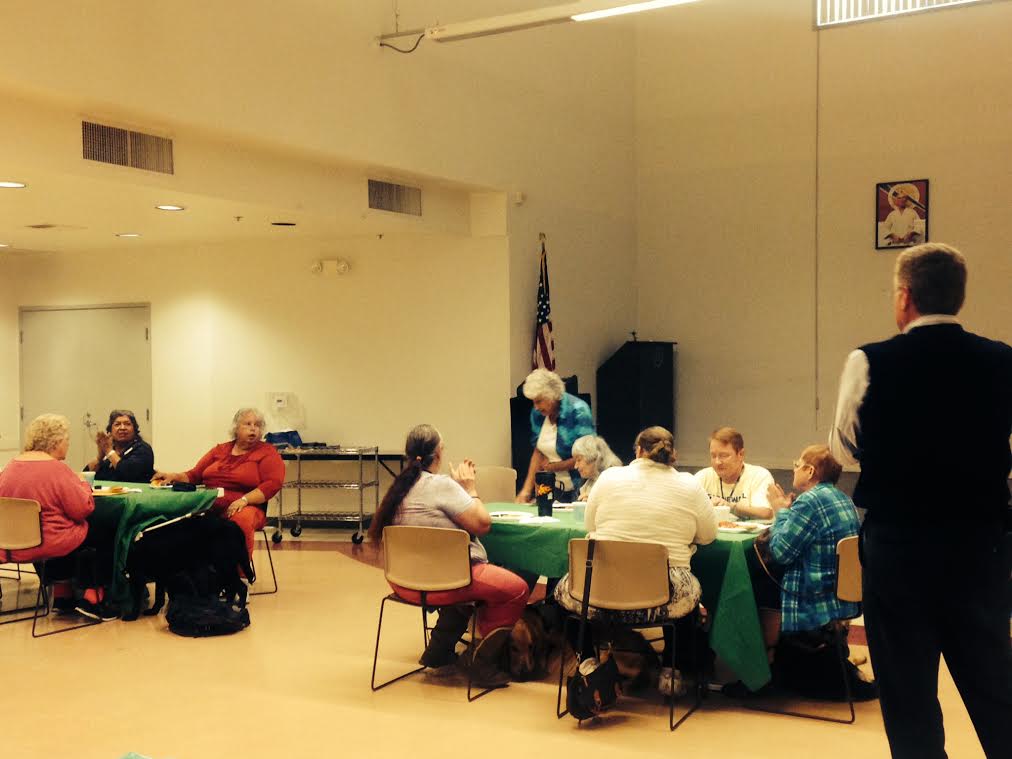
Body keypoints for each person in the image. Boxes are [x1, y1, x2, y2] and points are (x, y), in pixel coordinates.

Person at [830, 242, 1011, 758]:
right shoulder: (1002, 361)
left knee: (908, 692)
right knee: (993, 684)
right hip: (979, 545)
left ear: (904, 297)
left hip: (899, 547)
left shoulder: (869, 361)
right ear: (959, 296)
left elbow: (844, 448)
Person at [554, 426, 717, 694]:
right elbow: (709, 536)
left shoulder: (608, 478)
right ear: (672, 453)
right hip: (663, 596)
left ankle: (588, 663)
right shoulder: (689, 484)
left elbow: (589, 523)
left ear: (638, 451)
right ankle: (672, 671)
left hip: (602, 591)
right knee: (690, 596)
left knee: (562, 593)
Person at [367, 424, 530, 688]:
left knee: (460, 581)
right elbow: (482, 524)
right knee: (517, 589)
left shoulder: (397, 489)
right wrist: (469, 487)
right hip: (446, 584)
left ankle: (438, 651)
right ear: (438, 454)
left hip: (403, 582)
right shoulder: (442, 485)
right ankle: (482, 662)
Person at [762, 445, 874, 700]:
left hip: (814, 595)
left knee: (758, 584)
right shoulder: (841, 497)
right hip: (841, 593)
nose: (794, 468)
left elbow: (780, 552)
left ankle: (760, 673)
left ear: (809, 470)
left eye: (797, 463)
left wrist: (780, 511)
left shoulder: (810, 501)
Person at [0, 413, 118, 620]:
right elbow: (82, 509)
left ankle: (63, 594)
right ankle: (94, 597)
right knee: (103, 527)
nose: (67, 445)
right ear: (55, 441)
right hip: (48, 544)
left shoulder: (10, 467)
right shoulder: (56, 469)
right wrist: (82, 484)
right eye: (67, 441)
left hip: (10, 545)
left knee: (58, 526)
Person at [152, 408, 284, 557]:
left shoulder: (267, 452)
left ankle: (237, 572)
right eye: (247, 424)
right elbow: (195, 475)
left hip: (247, 505)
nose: (253, 428)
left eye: (258, 425)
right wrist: (172, 476)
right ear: (236, 428)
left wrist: (244, 500)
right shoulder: (220, 450)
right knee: (175, 515)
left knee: (240, 519)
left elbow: (272, 484)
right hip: (210, 502)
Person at [515, 369, 594, 503]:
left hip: (579, 487)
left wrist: (553, 467)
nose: (536, 407)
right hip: (551, 487)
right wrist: (526, 491)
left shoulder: (578, 411)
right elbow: (538, 452)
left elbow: (587, 456)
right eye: (533, 402)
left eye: (539, 401)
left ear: (553, 395)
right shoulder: (538, 414)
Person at [693, 427, 775, 519]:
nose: (717, 462)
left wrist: (731, 507)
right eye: (713, 456)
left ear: (741, 454)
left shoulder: (759, 475)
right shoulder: (703, 476)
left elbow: (765, 513)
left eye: (723, 456)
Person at [84, 409, 155, 483]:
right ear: (110, 430)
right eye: (117, 424)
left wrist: (109, 452)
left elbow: (128, 473)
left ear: (134, 429)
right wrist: (100, 456)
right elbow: (86, 476)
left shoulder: (143, 449)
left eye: (127, 424)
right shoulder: (111, 450)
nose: (122, 428)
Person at [571, 434, 622, 501]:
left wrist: (595, 500)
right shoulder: (585, 482)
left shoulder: (615, 478)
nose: (575, 466)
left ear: (593, 457)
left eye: (579, 460)